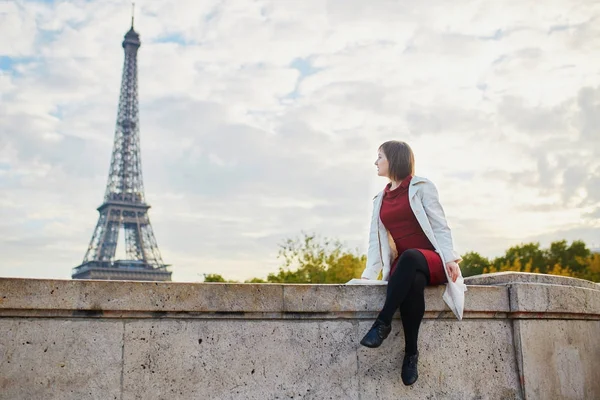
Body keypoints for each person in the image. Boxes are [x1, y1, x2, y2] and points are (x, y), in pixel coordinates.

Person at [359, 140, 467, 386]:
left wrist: (449, 257)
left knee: (410, 258)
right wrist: (370, 272)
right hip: (406, 267)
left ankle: (382, 323)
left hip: (432, 259)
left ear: (394, 159)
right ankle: (411, 355)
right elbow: (375, 240)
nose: (375, 162)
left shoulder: (422, 187)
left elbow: (440, 224)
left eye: (380, 157)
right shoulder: (380, 199)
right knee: (412, 281)